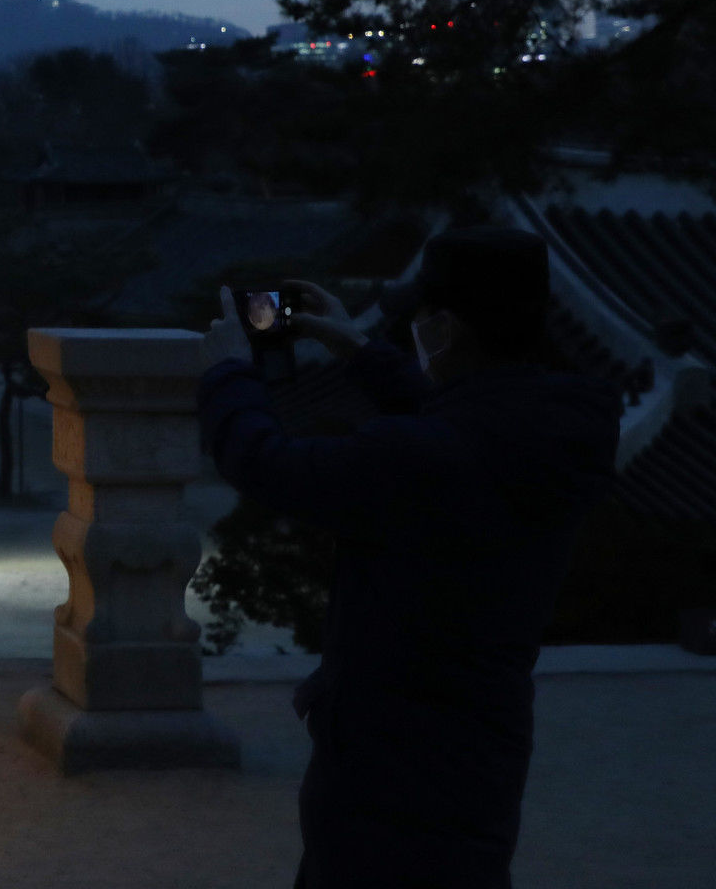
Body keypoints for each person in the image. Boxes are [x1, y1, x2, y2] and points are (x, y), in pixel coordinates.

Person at [195, 227, 619, 888]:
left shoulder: (419, 456)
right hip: (484, 734)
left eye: (421, 318)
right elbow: (461, 426)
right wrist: (357, 349)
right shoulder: (551, 430)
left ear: (444, 328)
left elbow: (267, 464)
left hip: (388, 746)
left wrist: (227, 373)